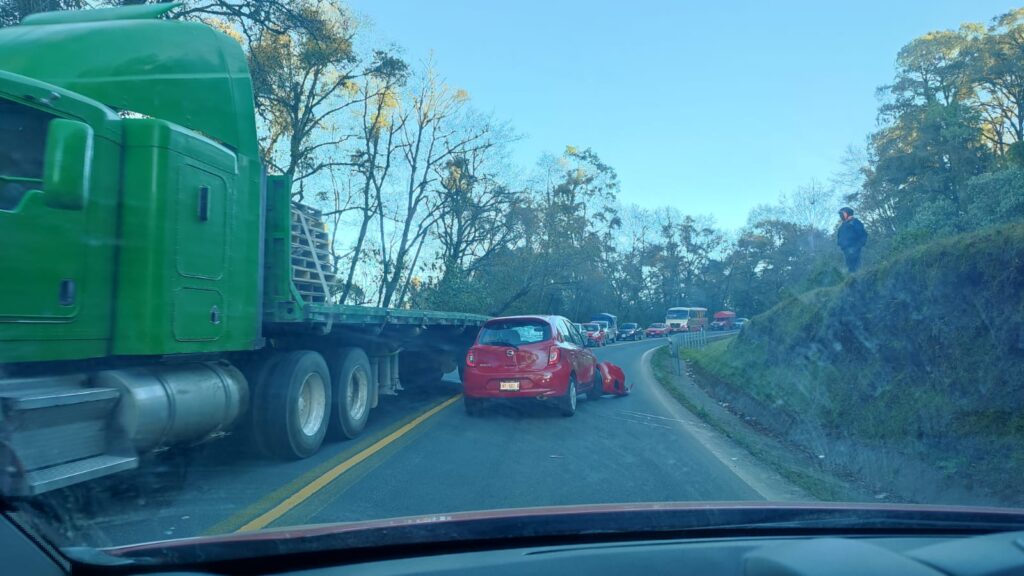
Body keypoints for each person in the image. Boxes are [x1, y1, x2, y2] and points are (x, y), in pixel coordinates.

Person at [836, 207, 867, 273]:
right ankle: (852, 278)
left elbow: (863, 235)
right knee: (849, 267)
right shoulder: (843, 226)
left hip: (854, 248)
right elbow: (839, 237)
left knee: (855, 266)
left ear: (847, 214)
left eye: (842, 214)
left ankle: (857, 278)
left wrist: (857, 246)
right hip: (846, 250)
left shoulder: (855, 223)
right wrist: (841, 245)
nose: (840, 216)